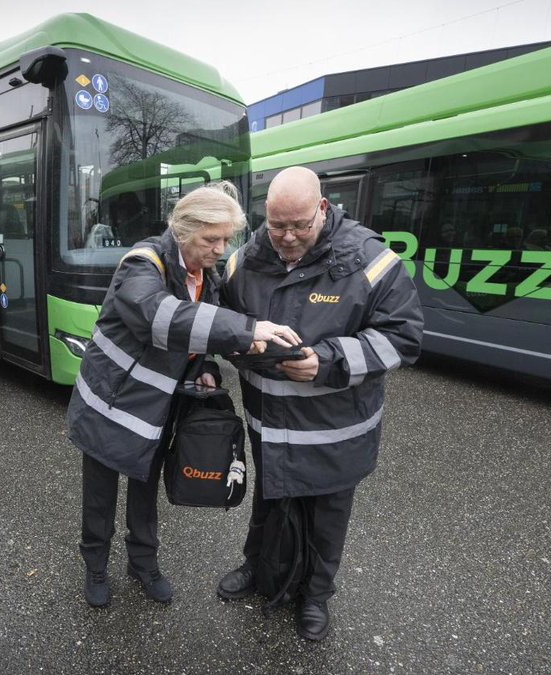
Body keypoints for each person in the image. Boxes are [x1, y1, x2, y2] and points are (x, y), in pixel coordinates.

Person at [67, 182, 300, 608]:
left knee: (145, 490)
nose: (222, 250)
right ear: (182, 231)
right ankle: (95, 567)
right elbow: (159, 316)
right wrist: (246, 329)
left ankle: (143, 563)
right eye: (212, 239)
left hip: (154, 409)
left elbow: (195, 344)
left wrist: (206, 367)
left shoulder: (204, 280)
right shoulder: (143, 264)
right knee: (99, 497)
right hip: (109, 405)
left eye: (227, 240)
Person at [217, 167, 423, 641]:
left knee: (327, 516)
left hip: (335, 429)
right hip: (268, 423)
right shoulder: (243, 262)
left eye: (299, 225)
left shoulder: (371, 260)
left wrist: (327, 361)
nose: (287, 237)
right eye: (276, 226)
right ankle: (258, 569)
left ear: (323, 209)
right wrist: (238, 344)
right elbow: (225, 321)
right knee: (269, 502)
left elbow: (404, 338)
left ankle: (315, 596)